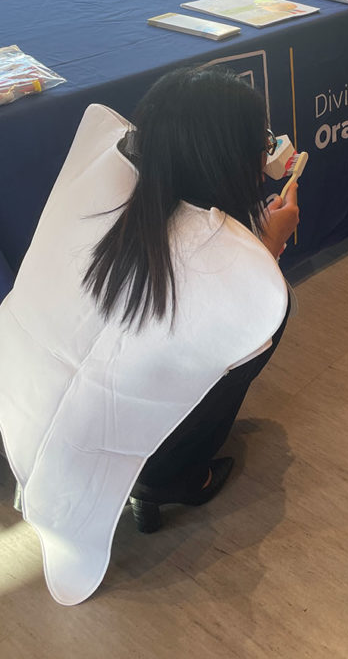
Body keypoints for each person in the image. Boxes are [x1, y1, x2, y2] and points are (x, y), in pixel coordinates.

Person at [0, 67, 299, 605]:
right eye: (260, 144)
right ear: (222, 158)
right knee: (269, 324)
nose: (267, 154)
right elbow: (250, 305)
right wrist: (268, 248)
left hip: (22, 420)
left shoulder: (99, 191)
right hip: (93, 442)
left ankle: (153, 471)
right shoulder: (222, 263)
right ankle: (170, 475)